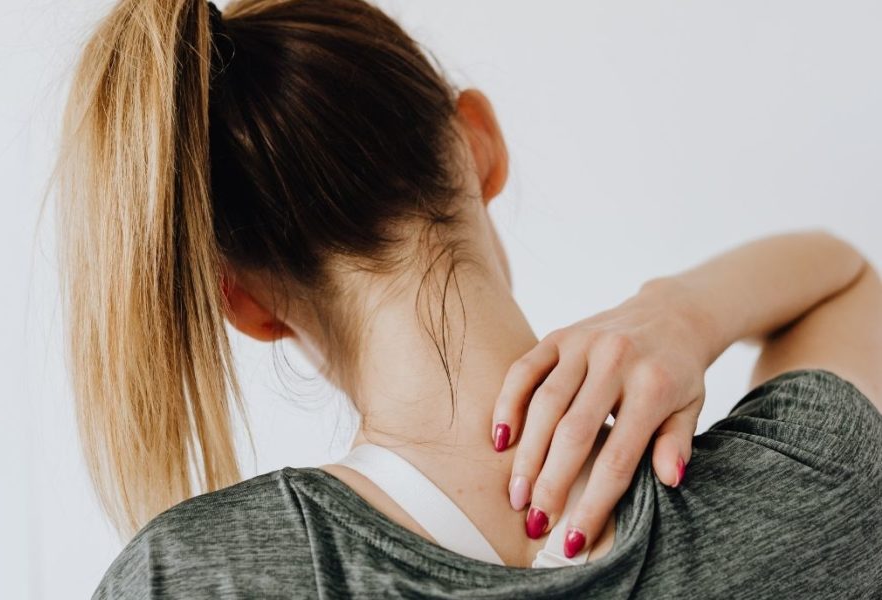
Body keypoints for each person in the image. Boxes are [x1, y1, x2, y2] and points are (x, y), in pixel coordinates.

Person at [53, 0, 882, 597]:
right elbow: (845, 275)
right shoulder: (812, 485)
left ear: (246, 304)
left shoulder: (204, 579)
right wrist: (682, 312)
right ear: (479, 143)